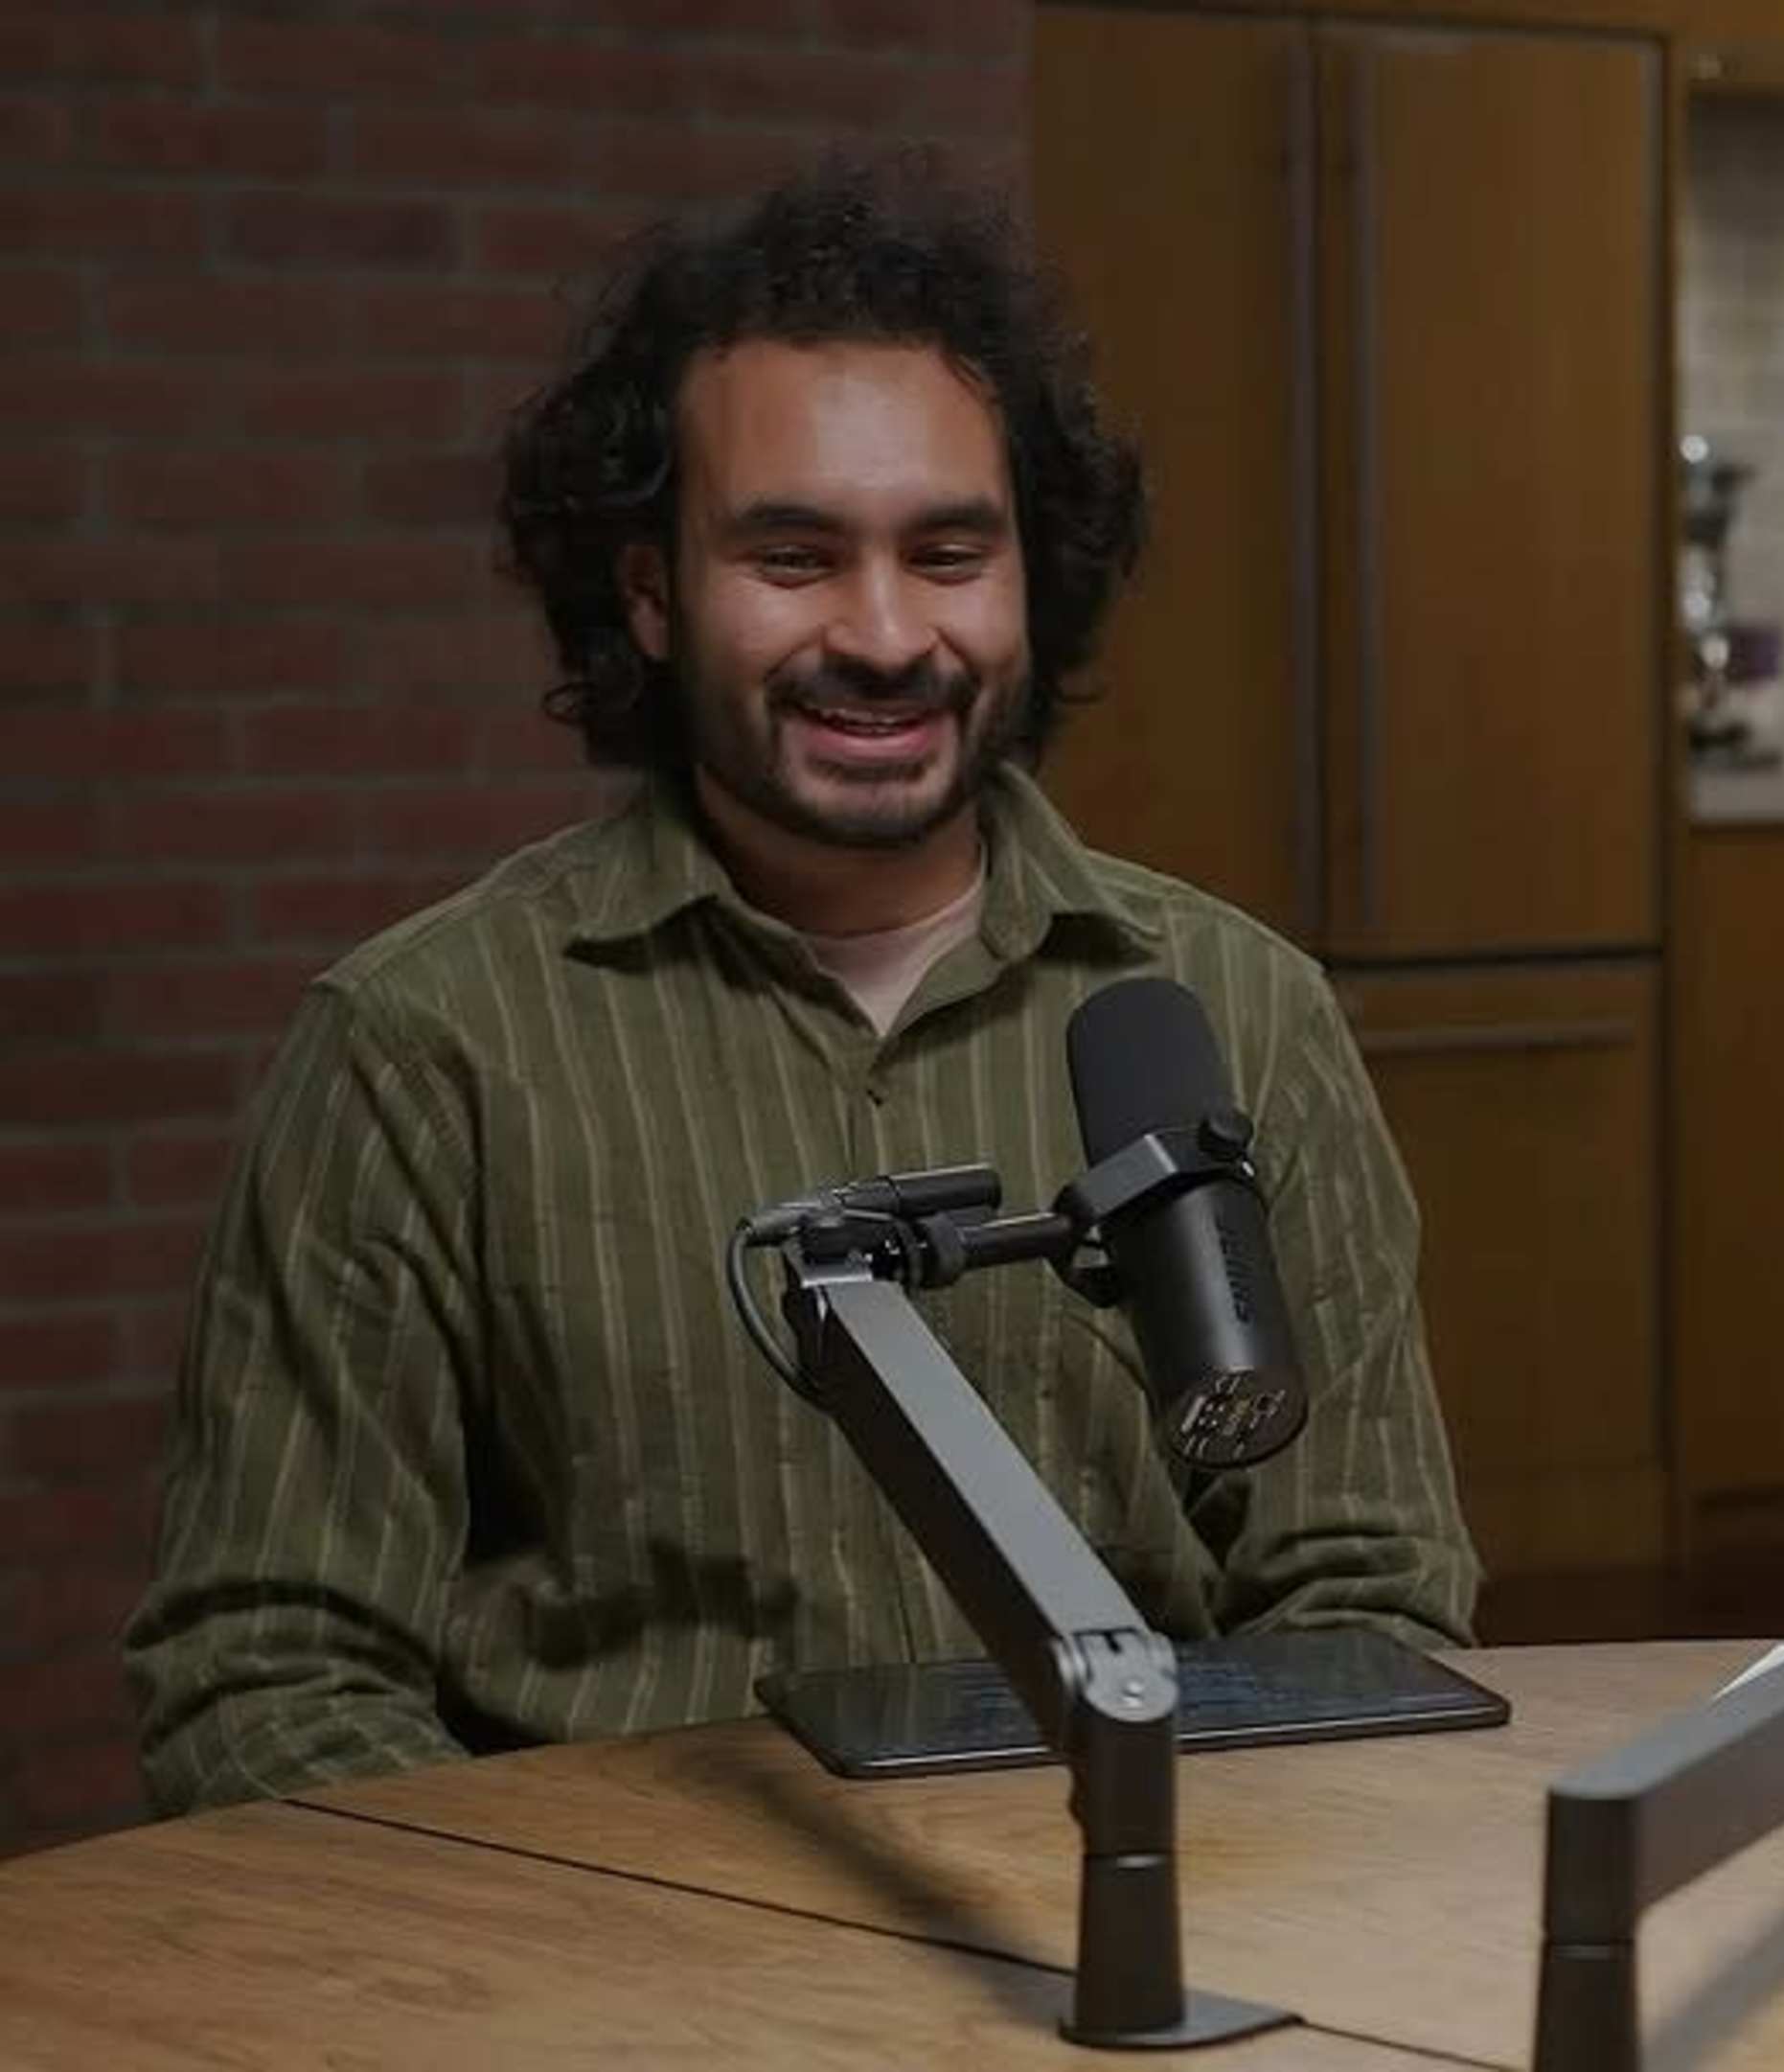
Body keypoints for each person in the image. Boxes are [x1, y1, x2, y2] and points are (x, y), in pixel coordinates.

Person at [125, 164, 1477, 1812]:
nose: (887, 631)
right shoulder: (423, 1049)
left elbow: (1367, 1595)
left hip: (1140, 1943)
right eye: (793, 554)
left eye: (948, 550)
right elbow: (264, 1672)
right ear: (649, 591)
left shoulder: (1240, 1010)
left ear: (1029, 581)